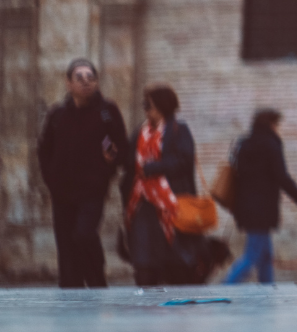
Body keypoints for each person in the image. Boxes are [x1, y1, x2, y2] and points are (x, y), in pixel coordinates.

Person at [37, 58, 131, 288]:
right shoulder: (58, 114)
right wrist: (52, 182)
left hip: (92, 191)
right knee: (67, 246)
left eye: (91, 78)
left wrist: (111, 162)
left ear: (97, 82)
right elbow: (43, 150)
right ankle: (71, 290)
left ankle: (97, 281)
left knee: (83, 234)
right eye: (79, 78)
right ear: (68, 83)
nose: (86, 82)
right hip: (62, 194)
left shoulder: (107, 112)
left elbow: (124, 150)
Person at [223, 109, 297, 285]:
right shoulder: (271, 144)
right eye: (277, 124)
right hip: (262, 210)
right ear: (271, 124)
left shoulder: (244, 144)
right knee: (252, 256)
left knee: (265, 256)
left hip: (245, 208)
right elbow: (282, 177)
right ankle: (225, 287)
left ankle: (268, 291)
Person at [124, 84, 197, 286]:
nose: (145, 110)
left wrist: (154, 167)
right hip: (142, 201)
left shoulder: (178, 130)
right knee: (143, 256)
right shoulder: (140, 132)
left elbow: (184, 160)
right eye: (144, 105)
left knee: (173, 256)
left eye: (149, 105)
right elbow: (129, 161)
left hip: (170, 202)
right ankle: (145, 287)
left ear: (162, 107)